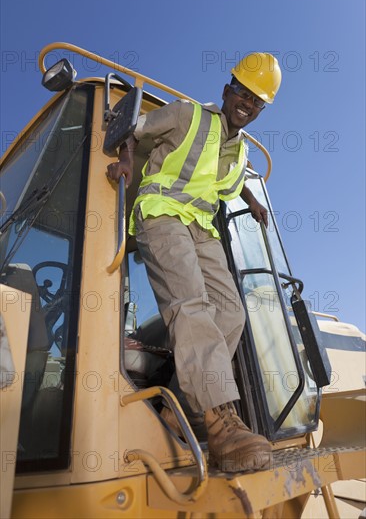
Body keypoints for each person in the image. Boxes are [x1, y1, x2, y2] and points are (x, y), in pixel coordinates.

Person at [107, 52, 282, 472]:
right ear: (227, 90)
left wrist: (254, 202)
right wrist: (128, 160)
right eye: (242, 91)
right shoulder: (187, 115)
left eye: (257, 100)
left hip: (203, 227)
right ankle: (221, 422)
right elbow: (132, 127)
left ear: (260, 109)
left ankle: (178, 408)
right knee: (192, 305)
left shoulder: (239, 153)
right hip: (162, 213)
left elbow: (233, 184)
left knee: (232, 313)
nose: (247, 102)